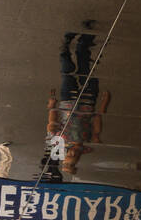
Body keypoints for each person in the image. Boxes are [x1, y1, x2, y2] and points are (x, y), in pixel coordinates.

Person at [46, 30, 111, 178]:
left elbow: (52, 124)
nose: (72, 153)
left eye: (69, 156)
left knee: (67, 72)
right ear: (77, 160)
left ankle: (65, 47)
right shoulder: (90, 141)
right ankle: (84, 44)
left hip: (67, 100)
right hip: (88, 100)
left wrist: (52, 106)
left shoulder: (60, 142)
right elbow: (97, 120)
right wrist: (104, 103)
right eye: (73, 159)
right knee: (86, 72)